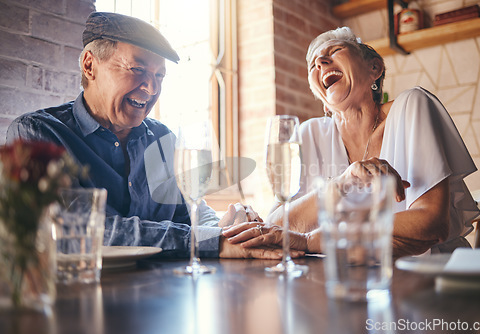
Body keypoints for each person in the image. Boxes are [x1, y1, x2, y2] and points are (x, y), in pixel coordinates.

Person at [6, 12, 295, 260]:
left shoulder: (162, 138)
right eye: (138, 69)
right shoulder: (36, 134)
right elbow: (81, 229)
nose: (151, 88)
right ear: (89, 65)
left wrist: (230, 227)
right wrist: (212, 241)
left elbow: (188, 214)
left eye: (159, 76)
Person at [223, 26, 480, 259]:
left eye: (334, 51)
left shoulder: (412, 106)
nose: (321, 62)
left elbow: (431, 224)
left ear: (374, 69)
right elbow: (277, 224)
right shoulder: (308, 134)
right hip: (343, 282)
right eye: (313, 65)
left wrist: (313, 240)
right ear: (322, 98)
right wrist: (343, 183)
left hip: (428, 279)